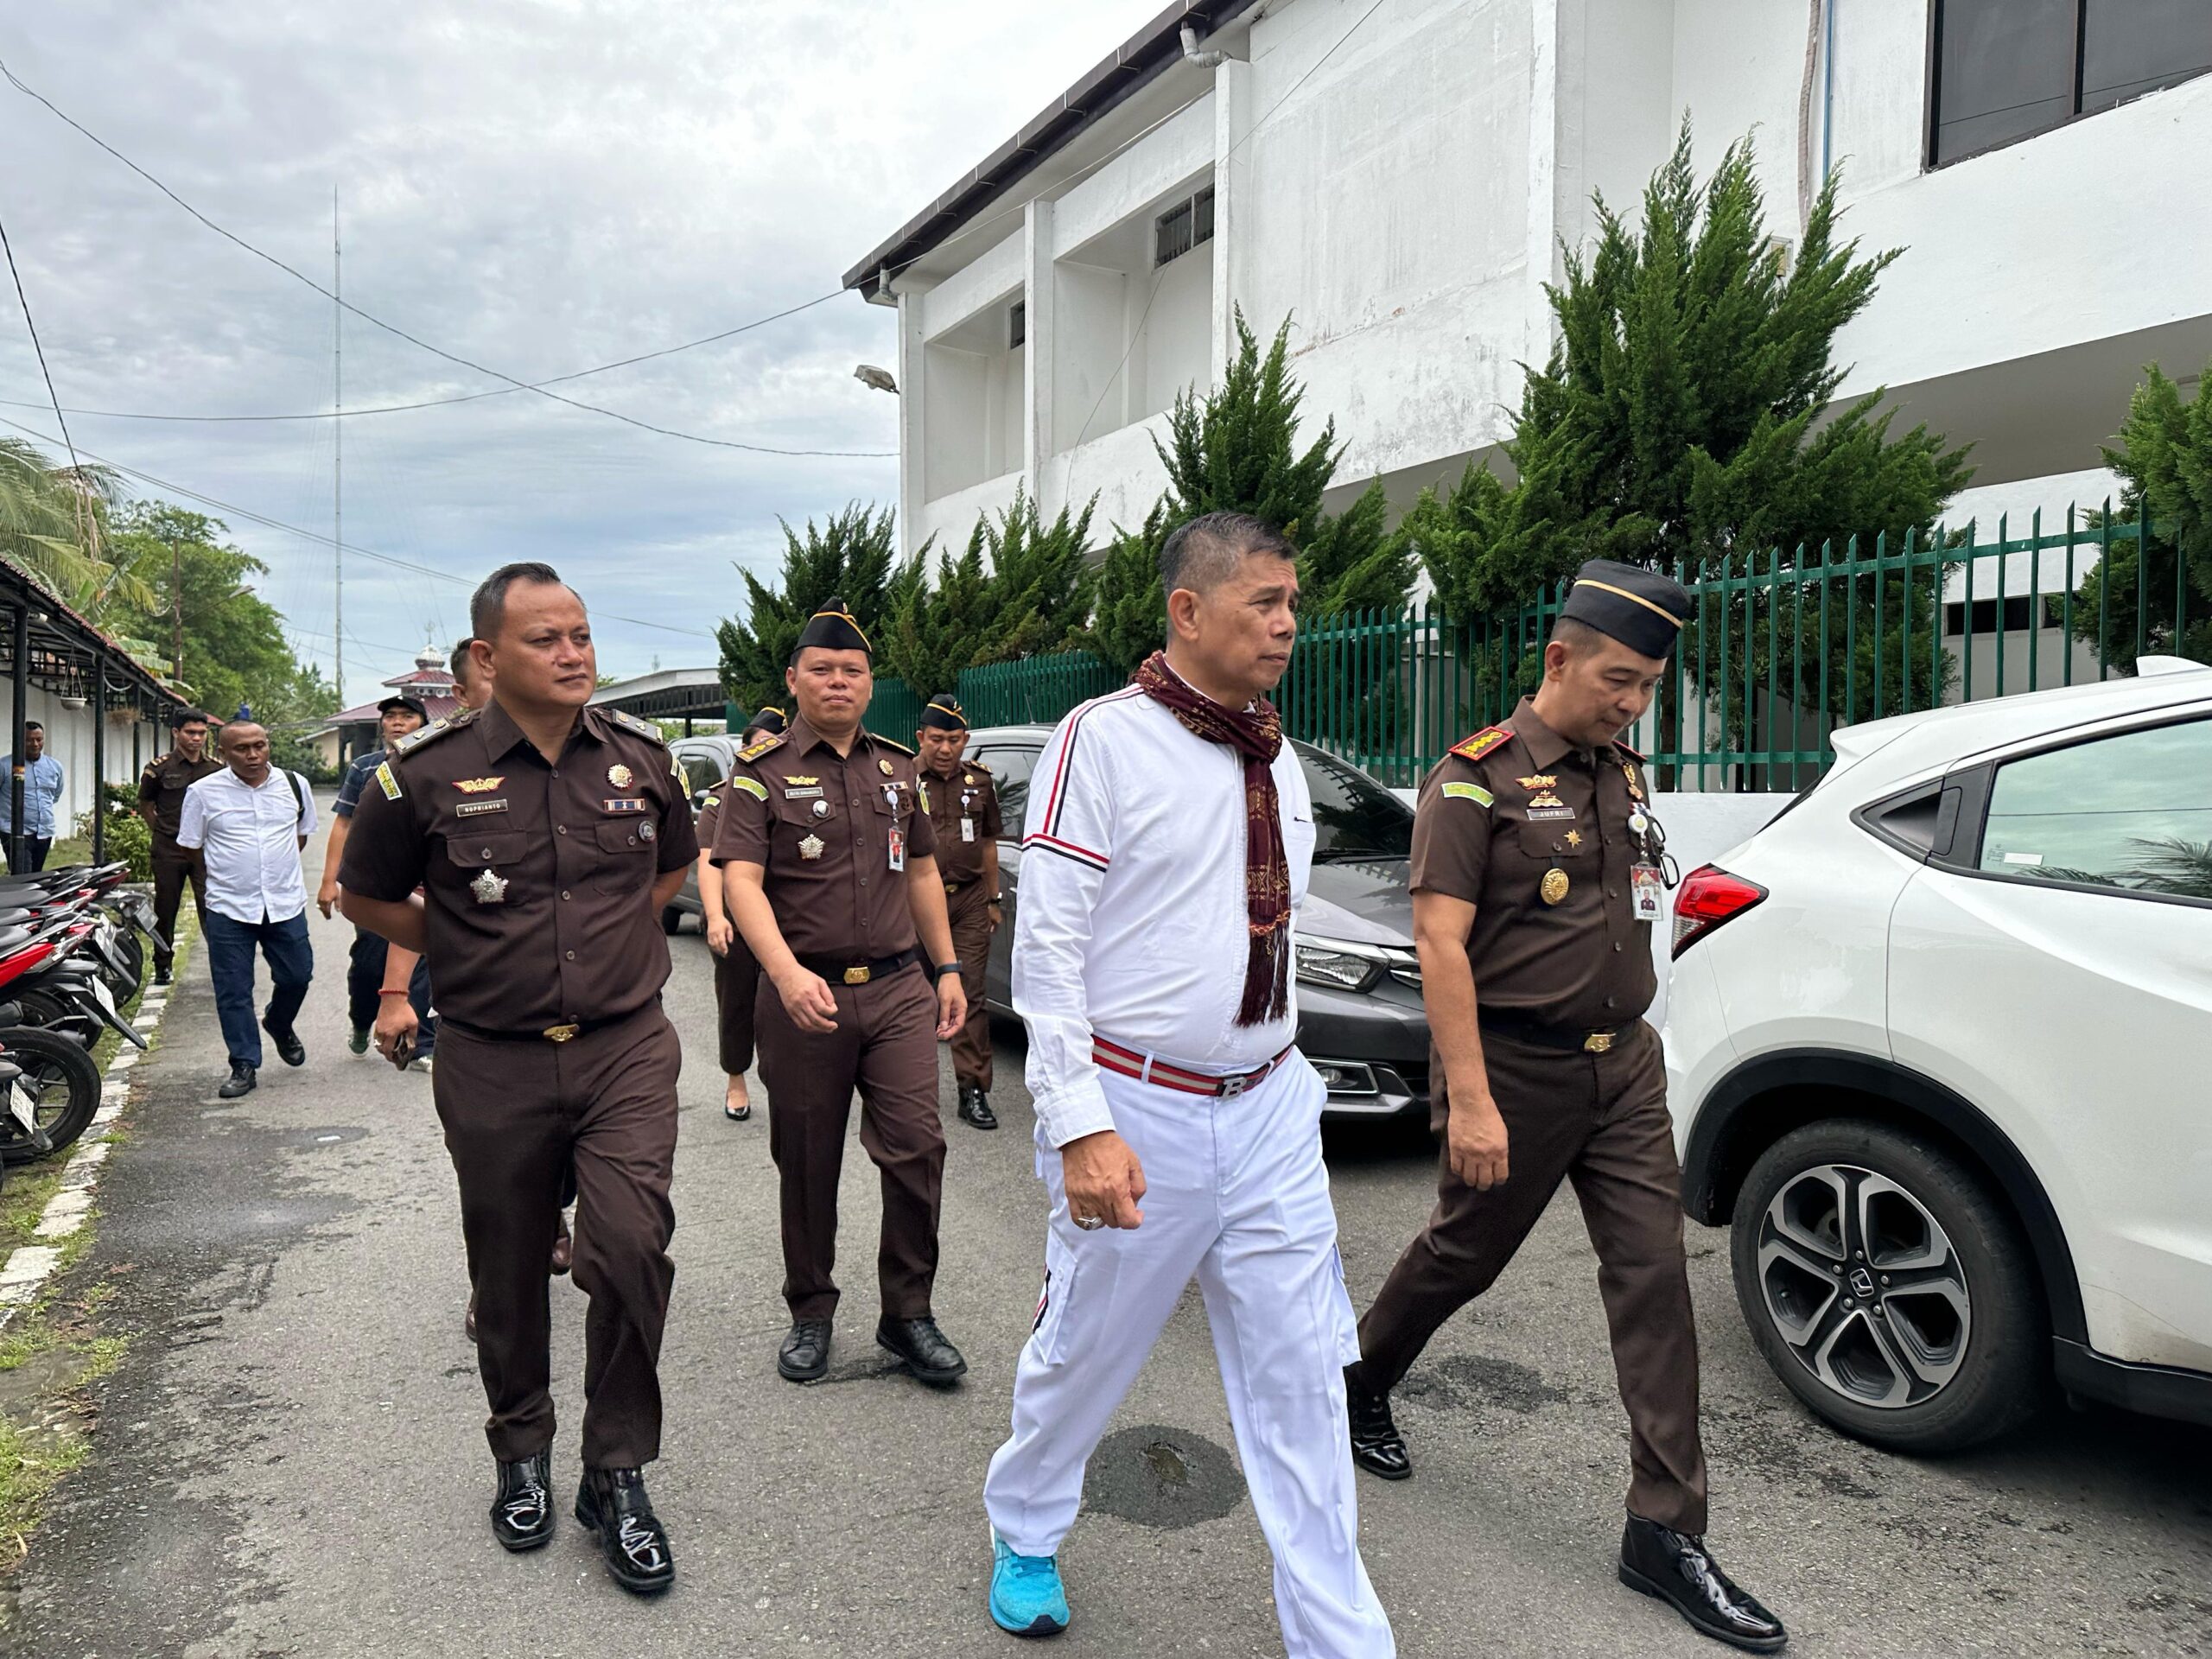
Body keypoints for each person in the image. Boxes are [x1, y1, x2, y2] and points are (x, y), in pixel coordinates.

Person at [1344, 559, 1786, 1654]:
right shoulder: (1473, 781)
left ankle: (1664, 1531)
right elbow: (1439, 943)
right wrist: (1472, 1101)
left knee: (1653, 1279)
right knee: (1463, 1253)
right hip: (1516, 1070)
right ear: (1558, 659)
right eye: (1617, 681)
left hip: (1623, 1068)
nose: (1633, 703)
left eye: (1648, 687)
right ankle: (1358, 1381)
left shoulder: (1620, 771)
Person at [982, 513, 1395, 1656]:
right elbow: (1048, 948)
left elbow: (1271, 934)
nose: (1288, 624)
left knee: (1303, 1378)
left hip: (1268, 1108)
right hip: (1136, 1109)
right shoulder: (1101, 741)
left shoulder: (1276, 757)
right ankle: (1027, 1525)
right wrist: (1079, 1125)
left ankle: (1339, 1635)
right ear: (1188, 610)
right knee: (1085, 1350)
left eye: (1292, 604)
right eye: (1264, 602)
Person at [339, 564, 696, 1596]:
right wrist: (458, 945)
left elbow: (668, 871)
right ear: (489, 658)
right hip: (492, 1055)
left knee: (628, 1246)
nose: (574, 653)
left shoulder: (641, 759)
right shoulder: (422, 775)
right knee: (506, 1266)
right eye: (547, 639)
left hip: (625, 1046)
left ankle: (616, 1470)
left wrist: (608, 943)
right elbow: (364, 896)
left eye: (581, 634)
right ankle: (521, 1451)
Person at [710, 599, 969, 1389]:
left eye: (852, 671)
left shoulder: (898, 769)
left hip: (896, 990)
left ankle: (908, 1313)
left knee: (918, 1148)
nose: (838, 682)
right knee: (807, 1158)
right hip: (805, 997)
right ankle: (811, 1310)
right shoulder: (758, 776)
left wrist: (948, 968)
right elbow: (741, 882)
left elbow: (920, 871)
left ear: (869, 683)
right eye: (821, 670)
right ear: (793, 680)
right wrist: (785, 973)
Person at [176, 721, 316, 1099]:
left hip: (284, 903)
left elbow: (300, 836)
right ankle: (244, 1063)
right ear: (223, 753)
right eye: (242, 749)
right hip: (229, 907)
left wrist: (272, 872)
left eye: (260, 745)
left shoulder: (294, 785)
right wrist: (231, 875)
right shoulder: (203, 792)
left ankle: (279, 1022)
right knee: (233, 990)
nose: (254, 755)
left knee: (298, 976)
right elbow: (191, 846)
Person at [320, 695, 435, 1067]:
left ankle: (421, 1044)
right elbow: (343, 823)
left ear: (423, 724)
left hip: (426, 880)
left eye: (407, 716)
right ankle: (361, 1018)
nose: (398, 722)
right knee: (370, 962)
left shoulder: (438, 761)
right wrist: (329, 881)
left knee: (423, 960)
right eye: (391, 717)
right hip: (376, 883)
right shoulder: (366, 768)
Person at [915, 694, 1002, 1130]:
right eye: (936, 739)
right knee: (910, 994)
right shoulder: (901, 779)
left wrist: (993, 899)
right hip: (914, 901)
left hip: (967, 899)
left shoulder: (979, 782)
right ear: (921, 738)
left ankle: (973, 1089)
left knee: (970, 993)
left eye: (953, 740)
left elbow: (988, 843)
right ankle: (910, 1087)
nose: (945, 748)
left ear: (965, 740)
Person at [695, 705, 785, 1123]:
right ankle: (736, 1077)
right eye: (762, 745)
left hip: (788, 919)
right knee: (737, 1002)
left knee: (785, 1002)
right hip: (737, 920)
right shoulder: (723, 797)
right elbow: (709, 860)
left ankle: (787, 1078)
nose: (770, 752)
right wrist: (716, 916)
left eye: (777, 745)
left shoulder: (797, 791)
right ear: (744, 751)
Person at [138, 709, 222, 984]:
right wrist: (163, 831)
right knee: (166, 908)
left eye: (201, 733)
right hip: (169, 849)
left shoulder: (216, 769)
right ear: (176, 733)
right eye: (190, 732)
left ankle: (222, 965)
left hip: (205, 850)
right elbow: (146, 805)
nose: (197, 738)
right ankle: (163, 965)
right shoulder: (158, 768)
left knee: (212, 906)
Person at [0, 721, 65, 874]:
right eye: (29, 740)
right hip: (14, 832)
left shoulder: (54, 766)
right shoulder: (5, 766)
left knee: (36, 876)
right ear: (19, 740)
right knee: (23, 877)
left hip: (44, 832)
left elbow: (55, 795)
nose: (35, 744)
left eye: (39, 739)